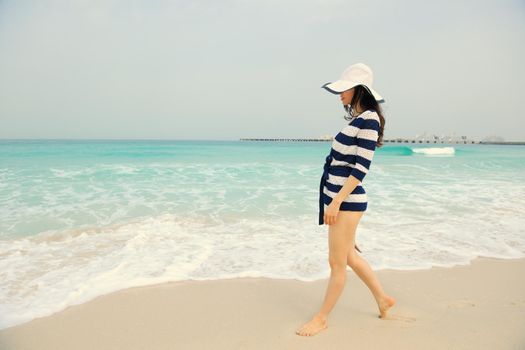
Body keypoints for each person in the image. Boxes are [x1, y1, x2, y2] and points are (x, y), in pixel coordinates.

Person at [296, 63, 396, 337]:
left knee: (337, 263)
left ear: (359, 90)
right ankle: (383, 300)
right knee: (348, 256)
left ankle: (322, 318)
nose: (339, 95)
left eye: (344, 90)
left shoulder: (369, 120)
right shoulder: (357, 120)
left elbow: (360, 169)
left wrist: (337, 202)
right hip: (342, 203)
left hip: (346, 201)